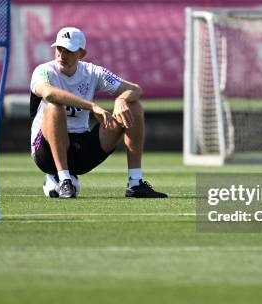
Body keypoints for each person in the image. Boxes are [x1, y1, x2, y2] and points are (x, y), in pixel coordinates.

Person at [30, 27, 168, 199]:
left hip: (81, 149)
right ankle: (65, 181)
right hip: (45, 151)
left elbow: (135, 89)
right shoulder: (43, 70)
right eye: (59, 49)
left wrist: (120, 100)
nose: (62, 55)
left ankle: (135, 183)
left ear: (82, 53)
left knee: (134, 106)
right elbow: (49, 93)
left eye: (69, 51)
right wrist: (92, 106)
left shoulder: (93, 72)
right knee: (54, 106)